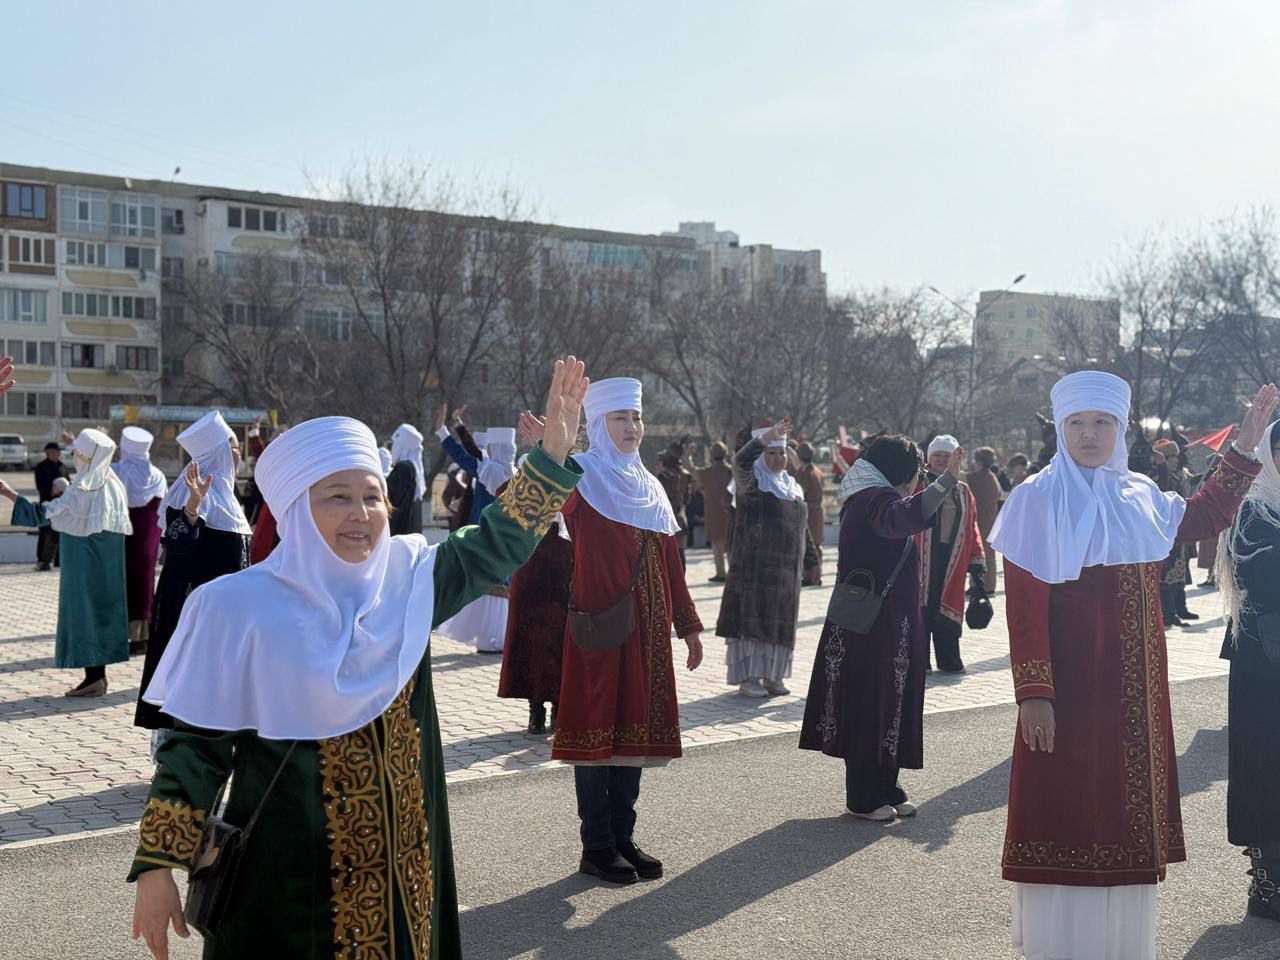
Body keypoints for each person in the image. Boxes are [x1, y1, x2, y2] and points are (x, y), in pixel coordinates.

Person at [127, 358, 589, 960]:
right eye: (336, 497)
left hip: (404, 882)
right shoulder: (236, 610)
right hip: (288, 894)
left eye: (371, 497)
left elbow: (498, 543)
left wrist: (551, 456)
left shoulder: (409, 580)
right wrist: (159, 866)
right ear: (294, 509)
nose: (359, 514)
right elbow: (196, 751)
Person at [991, 373, 1275, 960]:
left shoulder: (1140, 494)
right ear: (1060, 428)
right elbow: (1023, 608)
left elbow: (1205, 516)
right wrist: (1034, 692)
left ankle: (1120, 945)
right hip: (1066, 691)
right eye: (1077, 423)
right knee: (1062, 803)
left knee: (1124, 810)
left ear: (1120, 429)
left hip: (1134, 695)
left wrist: (1245, 446)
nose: (1089, 435)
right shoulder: (1035, 500)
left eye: (1102, 423)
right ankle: (1055, 945)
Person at [543, 377, 704, 886]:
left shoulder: (650, 486)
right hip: (602, 633)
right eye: (619, 418)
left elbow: (671, 563)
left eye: (636, 418)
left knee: (632, 739)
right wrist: (547, 449)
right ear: (597, 424)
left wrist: (689, 626)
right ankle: (596, 845)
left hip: (648, 638)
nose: (631, 427)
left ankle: (622, 836)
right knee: (598, 738)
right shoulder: (582, 478)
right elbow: (531, 497)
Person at [800, 435, 963, 820]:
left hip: (888, 620)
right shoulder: (872, 498)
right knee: (868, 700)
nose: (917, 478)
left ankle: (885, 786)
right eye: (917, 471)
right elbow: (900, 518)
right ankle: (863, 796)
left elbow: (905, 514)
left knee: (891, 697)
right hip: (869, 624)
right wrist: (945, 482)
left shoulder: (873, 494)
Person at [135, 412, 253, 733]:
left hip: (225, 613)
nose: (238, 453)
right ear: (218, 452)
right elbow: (176, 544)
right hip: (193, 609)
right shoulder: (198, 496)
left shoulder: (228, 497)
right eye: (233, 446)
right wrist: (193, 507)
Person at [1, 428, 131, 697]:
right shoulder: (111, 481)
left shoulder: (85, 487)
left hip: (84, 562)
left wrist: (10, 494)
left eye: (77, 452)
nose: (75, 457)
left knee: (83, 614)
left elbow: (48, 513)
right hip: (106, 561)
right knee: (101, 614)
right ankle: (97, 677)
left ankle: (94, 678)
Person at [1218, 418, 1280, 922]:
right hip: (1264, 661)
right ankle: (1267, 885)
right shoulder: (1254, 510)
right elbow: (1261, 577)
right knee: (1264, 766)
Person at [718, 422, 818, 698]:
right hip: (754, 570)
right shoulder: (752, 483)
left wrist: (813, 560)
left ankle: (774, 676)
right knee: (753, 624)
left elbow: (803, 527)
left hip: (787, 573)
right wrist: (766, 438)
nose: (778, 459)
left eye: (782, 453)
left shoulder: (793, 487)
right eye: (772, 453)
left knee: (779, 625)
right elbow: (740, 461)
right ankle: (748, 677)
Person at [499, 413, 574, 734]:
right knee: (530, 642)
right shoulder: (517, 487)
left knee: (560, 641)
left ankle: (559, 706)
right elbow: (503, 505)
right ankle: (535, 709)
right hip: (530, 576)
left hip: (563, 576)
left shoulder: (570, 486)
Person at [435, 418, 517, 654]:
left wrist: (443, 433)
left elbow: (464, 457)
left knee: (487, 582)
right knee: (502, 584)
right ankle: (498, 636)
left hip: (487, 532)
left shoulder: (488, 470)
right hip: (508, 537)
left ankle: (490, 637)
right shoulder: (515, 473)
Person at [918, 435, 986, 673]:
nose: (940, 460)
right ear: (928, 459)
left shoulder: (963, 491)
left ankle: (948, 660)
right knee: (921, 608)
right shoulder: (918, 484)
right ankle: (919, 661)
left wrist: (977, 564)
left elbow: (972, 526)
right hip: (922, 559)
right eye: (936, 455)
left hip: (953, 558)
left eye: (946, 456)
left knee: (947, 606)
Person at [112, 426, 168, 654]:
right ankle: (143, 636)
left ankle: (120, 634)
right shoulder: (157, 475)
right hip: (149, 541)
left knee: (122, 584)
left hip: (122, 537)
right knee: (145, 584)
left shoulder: (117, 471)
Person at [790, 440, 827, 586]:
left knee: (809, 545)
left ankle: (810, 575)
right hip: (817, 511)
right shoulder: (817, 471)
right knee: (817, 545)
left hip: (809, 513)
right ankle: (816, 575)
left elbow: (800, 492)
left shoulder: (805, 473)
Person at [696, 441, 733, 582]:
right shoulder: (731, 471)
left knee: (717, 544)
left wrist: (689, 456)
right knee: (730, 544)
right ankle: (732, 572)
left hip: (713, 512)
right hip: (729, 512)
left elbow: (692, 470)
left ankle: (721, 572)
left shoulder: (706, 473)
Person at [967, 447, 1002, 594]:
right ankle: (989, 585)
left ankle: (978, 584)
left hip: (978, 520)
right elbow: (999, 494)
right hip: (991, 520)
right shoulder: (992, 477)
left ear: (979, 462)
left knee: (977, 553)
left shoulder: (973, 478)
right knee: (990, 555)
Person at [33, 440, 68, 571]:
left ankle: (59, 561)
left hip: (61, 505)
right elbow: (40, 486)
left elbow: (67, 483)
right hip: (47, 505)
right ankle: (42, 560)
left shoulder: (62, 466)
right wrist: (53, 493)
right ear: (48, 453)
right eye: (53, 452)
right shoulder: (41, 467)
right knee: (45, 533)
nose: (56, 454)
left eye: (58, 452)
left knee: (60, 534)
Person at [387, 422, 426, 536]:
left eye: (395, 443)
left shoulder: (403, 468)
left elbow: (390, 497)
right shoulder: (411, 468)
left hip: (399, 533)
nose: (393, 447)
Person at [656, 446, 691, 567]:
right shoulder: (686, 475)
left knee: (669, 553)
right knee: (680, 551)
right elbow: (687, 498)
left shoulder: (664, 476)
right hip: (681, 516)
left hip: (666, 518)